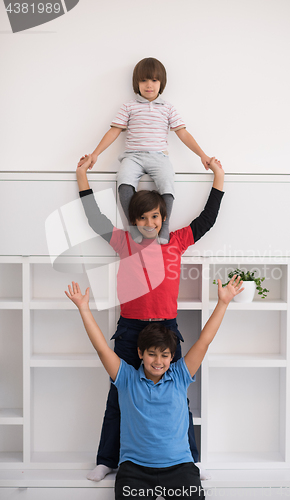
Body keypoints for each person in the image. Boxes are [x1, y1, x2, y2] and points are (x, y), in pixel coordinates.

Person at [76, 153, 225, 481]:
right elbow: (94, 218)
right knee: (119, 396)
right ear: (134, 220)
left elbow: (207, 219)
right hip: (131, 329)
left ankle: (190, 460)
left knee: (178, 397)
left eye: (155, 217)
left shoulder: (176, 240)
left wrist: (218, 178)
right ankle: (106, 459)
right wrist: (82, 177)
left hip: (167, 328)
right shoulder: (124, 242)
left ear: (162, 217)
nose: (149, 223)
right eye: (142, 218)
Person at [65, 276, 244, 499]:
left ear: (172, 357)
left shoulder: (180, 375)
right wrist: (84, 308)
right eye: (151, 354)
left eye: (164, 355)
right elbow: (102, 349)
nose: (158, 361)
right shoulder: (126, 378)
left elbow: (204, 341)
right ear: (140, 353)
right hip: (135, 472)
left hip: (180, 469)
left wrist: (223, 302)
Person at [77, 57, 212, 243]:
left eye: (154, 80)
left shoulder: (168, 108)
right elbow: (114, 131)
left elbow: (183, 134)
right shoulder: (129, 106)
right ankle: (134, 227)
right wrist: (95, 154)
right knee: (123, 181)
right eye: (144, 80)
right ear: (137, 83)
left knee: (167, 181)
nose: (149, 85)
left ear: (161, 83)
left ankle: (163, 227)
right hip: (133, 157)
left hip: (159, 157)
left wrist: (202, 155)